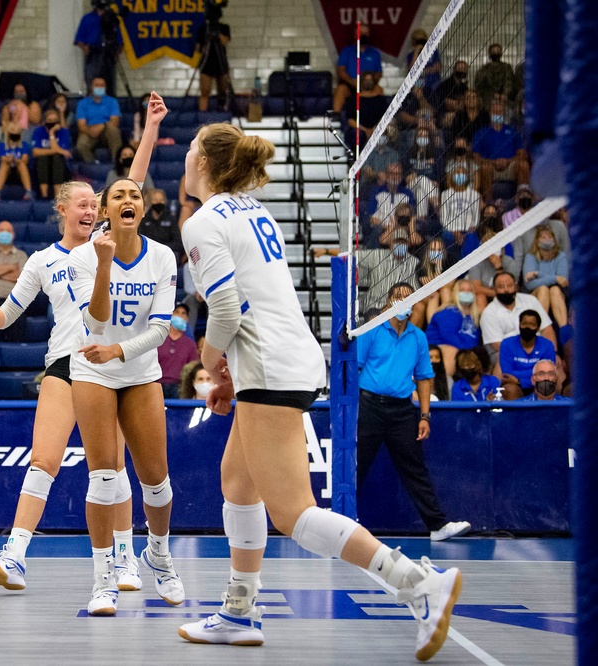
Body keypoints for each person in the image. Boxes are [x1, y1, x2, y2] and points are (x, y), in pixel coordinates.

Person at [177, 125, 462, 657]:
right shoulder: (254, 211)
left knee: (293, 515)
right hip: (283, 359)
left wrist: (211, 363)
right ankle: (239, 610)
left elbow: (224, 309)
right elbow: (256, 304)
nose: (185, 156)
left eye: (192, 148)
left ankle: (417, 583)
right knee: (237, 484)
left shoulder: (203, 222)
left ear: (207, 165)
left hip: (273, 367)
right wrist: (234, 376)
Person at [0, 96, 166, 592]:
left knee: (112, 469)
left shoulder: (108, 240)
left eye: (95, 206)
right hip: (65, 362)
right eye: (83, 204)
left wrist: (149, 128)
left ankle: (124, 559)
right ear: (62, 210)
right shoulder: (40, 260)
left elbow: (134, 182)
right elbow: (7, 313)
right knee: (44, 458)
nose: (92, 210)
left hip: (112, 366)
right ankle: (14, 552)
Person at [64, 91, 185, 616]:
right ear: (106, 212)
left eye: (133, 193)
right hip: (90, 368)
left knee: (155, 480)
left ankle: (158, 553)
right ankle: (103, 579)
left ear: (140, 204)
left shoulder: (162, 256)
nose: (127, 199)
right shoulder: (84, 255)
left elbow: (162, 329)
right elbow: (91, 322)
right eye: (115, 196)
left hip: (138, 368)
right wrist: (106, 263)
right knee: (103, 477)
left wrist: (120, 349)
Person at [356, 283, 471, 539]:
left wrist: (425, 415)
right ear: (388, 301)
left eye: (408, 298)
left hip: (402, 410)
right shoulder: (372, 329)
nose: (402, 302)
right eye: (398, 297)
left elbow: (424, 377)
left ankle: (438, 526)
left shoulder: (418, 337)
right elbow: (355, 369)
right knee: (356, 466)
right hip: (369, 406)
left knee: (415, 469)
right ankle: (338, 523)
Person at [480, 271, 557, 370]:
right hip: (506, 353)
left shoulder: (531, 301)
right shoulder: (489, 313)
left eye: (509, 285)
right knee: (501, 361)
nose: (506, 290)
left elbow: (547, 329)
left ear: (516, 286)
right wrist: (526, 356)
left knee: (555, 363)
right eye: (501, 287)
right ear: (494, 289)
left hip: (537, 349)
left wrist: (553, 353)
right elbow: (497, 345)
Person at [425, 279, 481, 377]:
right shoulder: (450, 311)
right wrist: (467, 351)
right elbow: (449, 337)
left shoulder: (474, 316)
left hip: (463, 348)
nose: (466, 292)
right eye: (462, 290)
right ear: (455, 293)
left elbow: (474, 340)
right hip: (438, 346)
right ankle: (443, 386)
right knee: (452, 351)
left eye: (469, 290)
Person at [472, 98, 530, 192]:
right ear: (490, 113)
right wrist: (493, 162)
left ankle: (522, 201)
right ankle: (489, 203)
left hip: (510, 165)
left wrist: (507, 161)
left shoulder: (513, 131)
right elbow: (476, 157)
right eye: (495, 112)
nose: (497, 114)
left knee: (523, 165)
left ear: (503, 113)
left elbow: (522, 154)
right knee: (486, 168)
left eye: (499, 112)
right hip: (490, 166)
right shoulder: (481, 133)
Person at [522, 225, 569, 328]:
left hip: (558, 293)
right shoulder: (531, 257)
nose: (547, 240)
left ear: (554, 239)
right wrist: (555, 278)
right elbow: (530, 284)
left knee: (554, 290)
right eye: (543, 237)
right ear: (537, 241)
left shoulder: (561, 256)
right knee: (543, 289)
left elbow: (564, 281)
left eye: (549, 237)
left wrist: (539, 274)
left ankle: (564, 330)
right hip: (534, 293)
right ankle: (541, 328)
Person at [498, 310, 557, 391]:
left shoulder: (547, 345)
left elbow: (546, 373)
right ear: (519, 325)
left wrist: (520, 381)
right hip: (515, 385)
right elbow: (508, 374)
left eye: (532, 325)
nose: (527, 327)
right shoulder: (507, 344)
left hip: (539, 385)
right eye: (524, 324)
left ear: (538, 327)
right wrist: (535, 374)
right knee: (510, 389)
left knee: (547, 384)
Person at [75, 1, 122, 97]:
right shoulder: (87, 18)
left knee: (110, 84)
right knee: (92, 81)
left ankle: (110, 104)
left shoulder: (112, 18)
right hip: (93, 54)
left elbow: (119, 40)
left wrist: (117, 52)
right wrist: (84, 47)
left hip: (109, 54)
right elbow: (78, 39)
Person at [333, 23, 383, 113]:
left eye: (366, 33)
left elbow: (378, 73)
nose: (363, 35)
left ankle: (382, 120)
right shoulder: (347, 50)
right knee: (340, 89)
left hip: (368, 85)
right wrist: (352, 82)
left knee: (379, 90)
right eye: (361, 32)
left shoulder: (375, 53)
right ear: (355, 35)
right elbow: (340, 70)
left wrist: (368, 83)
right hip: (350, 84)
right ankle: (335, 118)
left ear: (369, 35)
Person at [157, 303, 200, 399]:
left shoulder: (190, 344)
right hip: (157, 384)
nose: (180, 315)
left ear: (187, 319)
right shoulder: (159, 340)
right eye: (176, 312)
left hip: (179, 387)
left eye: (183, 313)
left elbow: (193, 367)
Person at [75, 77, 121, 163]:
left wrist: (102, 126)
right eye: (97, 85)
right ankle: (92, 164)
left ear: (105, 88)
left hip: (106, 129)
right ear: (91, 87)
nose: (99, 87)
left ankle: (117, 165)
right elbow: (81, 125)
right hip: (89, 130)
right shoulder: (82, 103)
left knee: (114, 131)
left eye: (102, 85)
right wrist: (90, 132)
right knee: (81, 145)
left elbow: (115, 122)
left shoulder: (112, 101)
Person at [32, 107, 73, 199]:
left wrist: (51, 133)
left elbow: (58, 152)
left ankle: (57, 196)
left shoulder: (64, 132)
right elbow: (35, 152)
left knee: (56, 157)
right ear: (44, 121)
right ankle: (44, 195)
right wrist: (59, 150)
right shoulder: (38, 131)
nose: (52, 122)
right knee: (43, 158)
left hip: (61, 166)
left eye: (55, 120)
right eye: (50, 120)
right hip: (42, 165)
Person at [193, 11, 231, 112]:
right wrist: (206, 38)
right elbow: (198, 48)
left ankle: (222, 110)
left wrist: (217, 33)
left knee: (223, 90)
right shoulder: (203, 28)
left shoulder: (224, 27)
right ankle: (202, 114)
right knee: (204, 91)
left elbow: (224, 41)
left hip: (220, 61)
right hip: (207, 62)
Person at [138, 189, 184, 265]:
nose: (159, 203)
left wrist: (162, 248)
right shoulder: (143, 220)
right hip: (149, 253)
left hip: (167, 252)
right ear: (150, 202)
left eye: (161, 200)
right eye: (155, 200)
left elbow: (178, 242)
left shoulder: (171, 219)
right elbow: (140, 240)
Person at [346, 71, 389, 149]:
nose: (368, 82)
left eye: (370, 80)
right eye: (366, 80)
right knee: (356, 134)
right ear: (361, 82)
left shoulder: (380, 99)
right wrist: (366, 130)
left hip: (378, 129)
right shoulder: (353, 99)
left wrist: (374, 129)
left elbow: (385, 117)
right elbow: (350, 120)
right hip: (360, 130)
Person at [0, 122, 34, 201]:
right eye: (13, 130)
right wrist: (8, 159)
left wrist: (16, 160)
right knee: (4, 164)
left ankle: (28, 192)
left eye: (17, 131)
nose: (15, 133)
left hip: (19, 171)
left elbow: (25, 160)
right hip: (7, 172)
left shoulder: (24, 145)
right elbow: (2, 158)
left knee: (21, 164)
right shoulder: (2, 145)